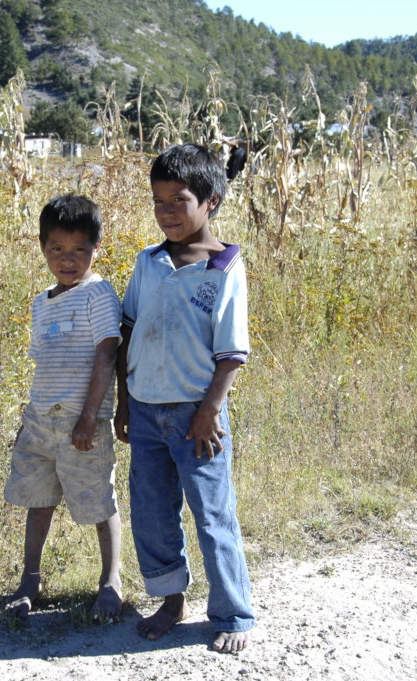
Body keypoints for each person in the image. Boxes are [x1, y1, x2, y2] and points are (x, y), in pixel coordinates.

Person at [114, 144, 256, 653]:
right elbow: (127, 332)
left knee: (213, 516)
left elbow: (232, 354)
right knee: (152, 514)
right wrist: (124, 403)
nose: (167, 210)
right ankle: (172, 601)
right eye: (158, 201)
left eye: (180, 199)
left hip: (197, 417)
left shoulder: (224, 268)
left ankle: (233, 613)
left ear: (211, 201)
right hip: (146, 410)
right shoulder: (148, 262)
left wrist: (209, 412)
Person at [3, 193, 123, 622]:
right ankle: (29, 580)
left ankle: (111, 583)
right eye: (57, 249)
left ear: (95, 249)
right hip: (41, 420)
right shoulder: (41, 302)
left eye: (79, 250)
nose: (67, 259)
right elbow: (42, 364)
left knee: (99, 501)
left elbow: (107, 356)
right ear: (42, 247)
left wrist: (90, 417)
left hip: (81, 421)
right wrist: (26, 419)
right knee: (39, 499)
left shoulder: (98, 294)